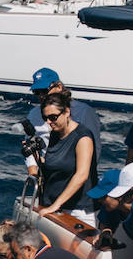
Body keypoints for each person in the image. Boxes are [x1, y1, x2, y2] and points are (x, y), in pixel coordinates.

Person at [24, 67, 101, 177]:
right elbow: (29, 144)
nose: (41, 96)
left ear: (59, 87)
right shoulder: (33, 115)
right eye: (36, 92)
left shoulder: (85, 112)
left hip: (77, 175)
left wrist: (83, 176)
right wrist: (33, 171)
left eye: (44, 91)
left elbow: (95, 149)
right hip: (47, 174)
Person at [37, 90, 98, 225]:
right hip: (54, 206)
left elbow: (82, 175)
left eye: (53, 117)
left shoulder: (83, 137)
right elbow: (53, 165)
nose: (48, 122)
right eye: (45, 117)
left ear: (67, 112)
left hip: (78, 210)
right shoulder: (55, 134)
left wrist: (55, 205)